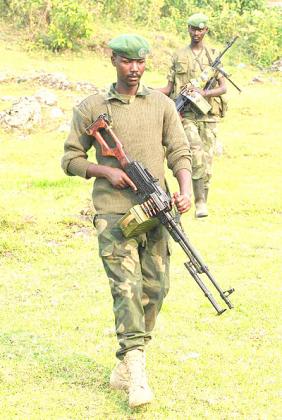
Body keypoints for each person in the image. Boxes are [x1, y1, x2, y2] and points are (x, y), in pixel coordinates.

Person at [61, 34, 192, 408]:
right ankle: (137, 373)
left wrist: (183, 190)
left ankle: (124, 362)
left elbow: (180, 152)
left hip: (156, 209)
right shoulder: (91, 108)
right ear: (113, 61)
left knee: (157, 288)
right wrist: (106, 171)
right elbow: (69, 159)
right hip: (113, 213)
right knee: (126, 289)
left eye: (140, 63)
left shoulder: (162, 104)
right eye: (126, 62)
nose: (134, 70)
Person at [159, 13, 227, 218]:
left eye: (200, 29)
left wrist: (203, 93)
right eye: (193, 29)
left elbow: (223, 88)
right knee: (195, 153)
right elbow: (170, 87)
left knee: (207, 161)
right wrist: (148, 91)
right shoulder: (179, 56)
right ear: (188, 29)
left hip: (208, 115)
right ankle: (197, 201)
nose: (196, 33)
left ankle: (203, 199)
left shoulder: (213, 55)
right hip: (186, 115)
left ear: (206, 30)